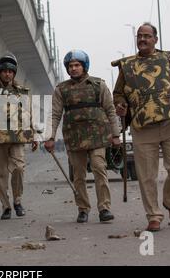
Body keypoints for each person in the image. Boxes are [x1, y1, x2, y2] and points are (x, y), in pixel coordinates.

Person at [112, 23, 170, 232]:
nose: (142, 39)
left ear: (155, 40)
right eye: (139, 36)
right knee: (147, 175)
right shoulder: (127, 66)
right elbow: (118, 93)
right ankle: (154, 215)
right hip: (143, 126)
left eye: (147, 36)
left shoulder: (168, 60)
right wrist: (121, 104)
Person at [44, 50, 120, 223]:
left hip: (98, 136)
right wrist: (50, 137)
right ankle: (83, 208)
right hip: (74, 138)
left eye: (77, 65)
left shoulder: (98, 85)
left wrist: (115, 134)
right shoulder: (61, 89)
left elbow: (110, 109)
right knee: (78, 175)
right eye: (70, 66)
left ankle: (104, 208)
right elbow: (55, 114)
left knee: (99, 168)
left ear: (84, 66)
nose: (73, 69)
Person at [0, 53, 38, 220]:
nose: (7, 74)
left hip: (17, 137)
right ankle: (6, 206)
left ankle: (17, 200)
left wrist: (34, 134)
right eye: (4, 71)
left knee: (18, 168)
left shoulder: (22, 92)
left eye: (10, 71)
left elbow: (28, 114)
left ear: (14, 73)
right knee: (1, 173)